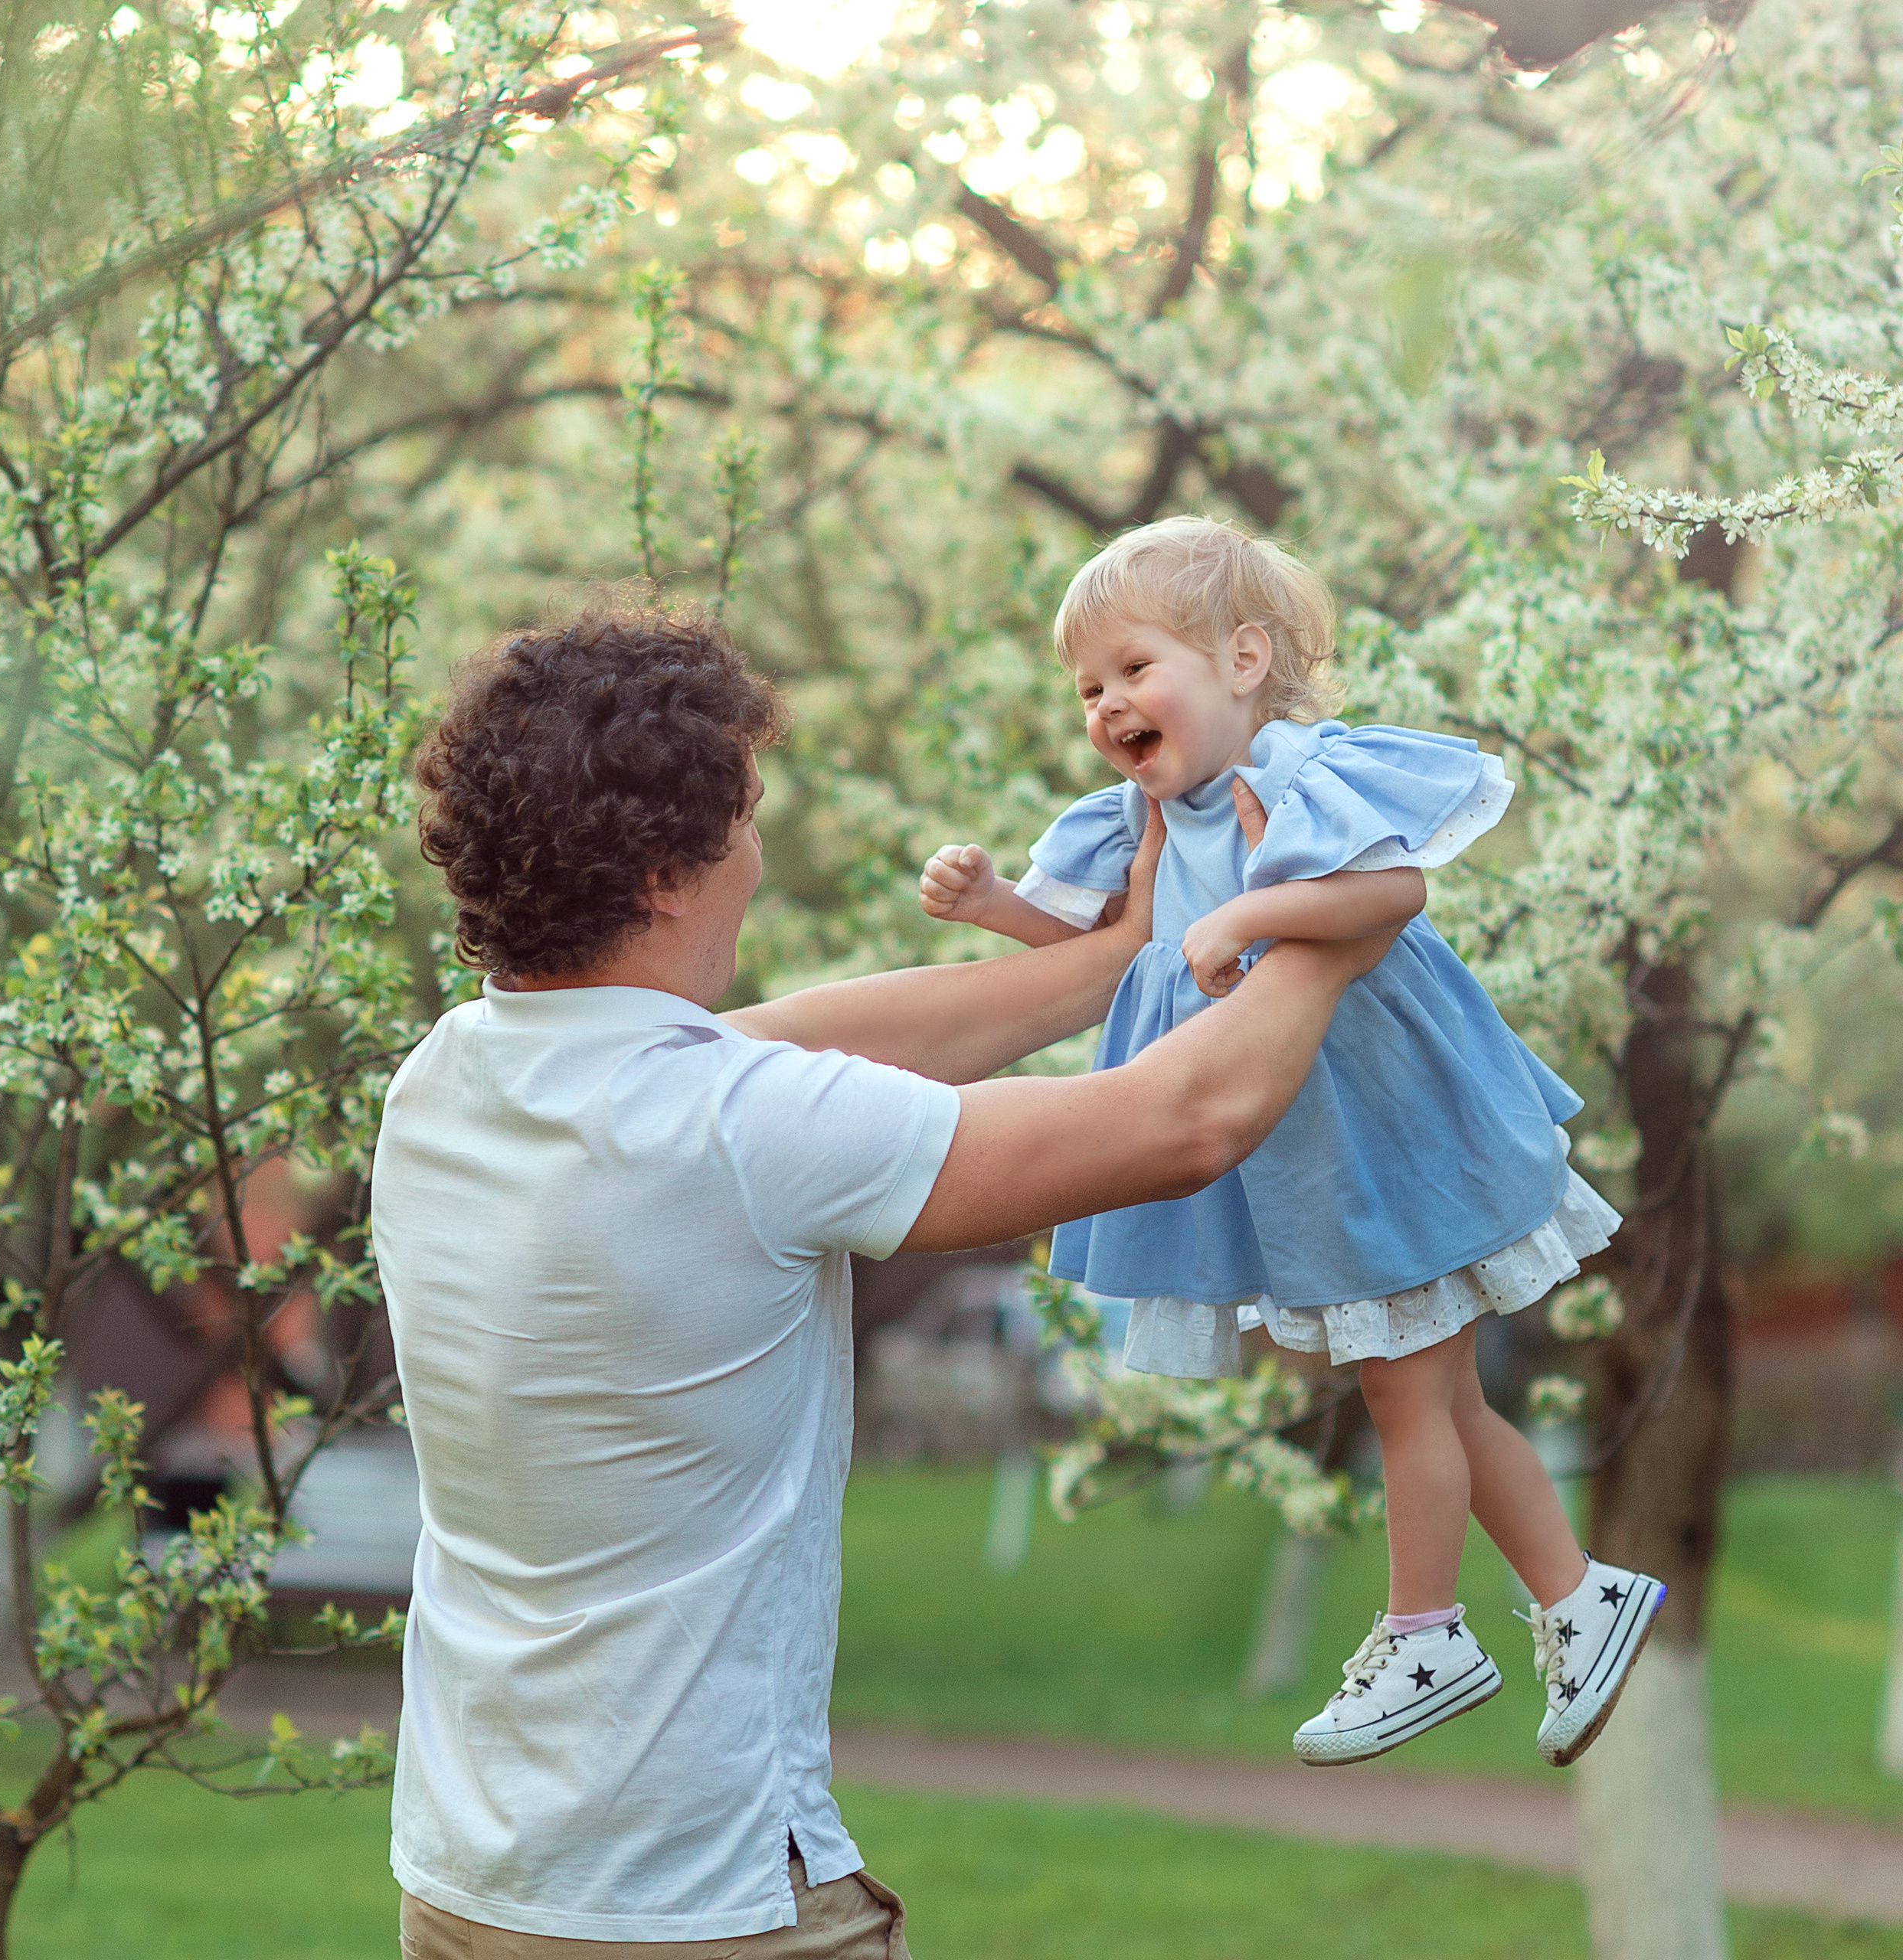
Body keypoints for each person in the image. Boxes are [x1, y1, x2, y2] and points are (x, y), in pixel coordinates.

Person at [372, 593, 1393, 1960]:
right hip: (697, 1907)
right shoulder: (733, 1132)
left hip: (468, 1879)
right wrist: (1330, 922)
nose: (757, 857)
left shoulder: (449, 1077)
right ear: (666, 876)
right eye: (745, 823)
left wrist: (1119, 961)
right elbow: (1185, 1122)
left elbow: (811, 1042)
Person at [919, 515, 1664, 1770]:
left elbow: (1396, 890)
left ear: (1244, 659)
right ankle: (1580, 1594)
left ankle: (1427, 1633)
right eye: (1089, 688)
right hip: (1312, 1151)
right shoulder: (1141, 823)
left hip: (1386, 1123)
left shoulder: (1300, 777)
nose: (1108, 704)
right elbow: (1123, 955)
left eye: (1135, 668)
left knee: (1404, 1390)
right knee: (1438, 1392)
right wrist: (999, 905)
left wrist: (1255, 913)